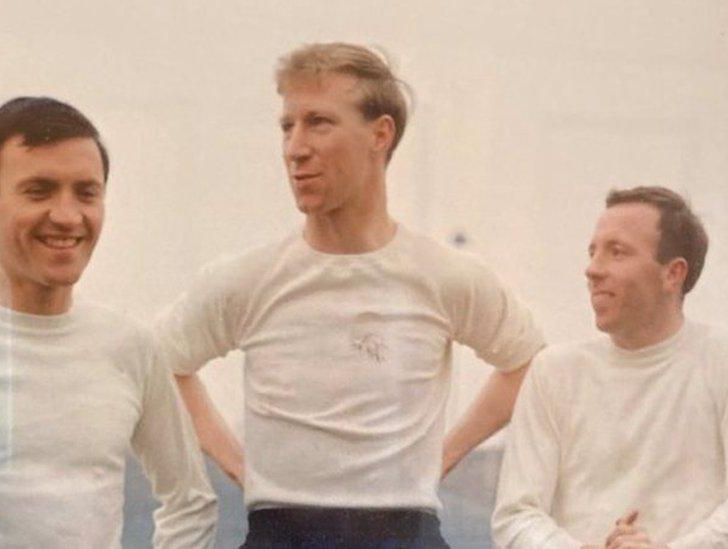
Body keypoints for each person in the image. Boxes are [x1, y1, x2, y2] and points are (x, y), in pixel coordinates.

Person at [154, 42, 544, 548]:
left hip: (406, 533)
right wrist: (237, 464)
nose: (295, 147)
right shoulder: (248, 280)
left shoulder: (443, 275)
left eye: (319, 122)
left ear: (380, 134)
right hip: (279, 534)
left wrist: (443, 456)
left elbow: (529, 363)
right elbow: (158, 362)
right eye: (287, 126)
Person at [0, 97, 217, 548]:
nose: (68, 216)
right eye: (39, 190)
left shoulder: (129, 346)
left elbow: (189, 500)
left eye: (86, 193)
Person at [492, 186, 727, 549]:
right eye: (592, 252)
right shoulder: (554, 372)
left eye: (617, 252)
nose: (592, 269)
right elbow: (514, 517)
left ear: (673, 274)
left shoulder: (719, 361)